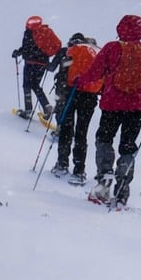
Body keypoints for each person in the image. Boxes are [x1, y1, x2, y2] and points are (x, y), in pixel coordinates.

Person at [84, 15, 141, 207]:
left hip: (113, 102)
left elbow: (95, 71)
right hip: (137, 105)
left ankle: (104, 179)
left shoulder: (112, 48)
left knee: (104, 138)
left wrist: (80, 81)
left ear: (120, 29)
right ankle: (122, 189)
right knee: (128, 145)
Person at [49, 33, 100, 184]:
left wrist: (61, 91)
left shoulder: (72, 52)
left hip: (71, 93)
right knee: (81, 132)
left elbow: (63, 72)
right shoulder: (96, 54)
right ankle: (79, 170)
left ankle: (62, 163)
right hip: (89, 97)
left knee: (66, 129)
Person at [13, 15, 61, 119]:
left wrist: (18, 52)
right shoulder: (46, 32)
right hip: (42, 63)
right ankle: (47, 107)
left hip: (30, 62)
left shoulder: (29, 33)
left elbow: (26, 48)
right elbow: (57, 46)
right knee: (35, 85)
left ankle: (28, 110)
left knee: (27, 85)